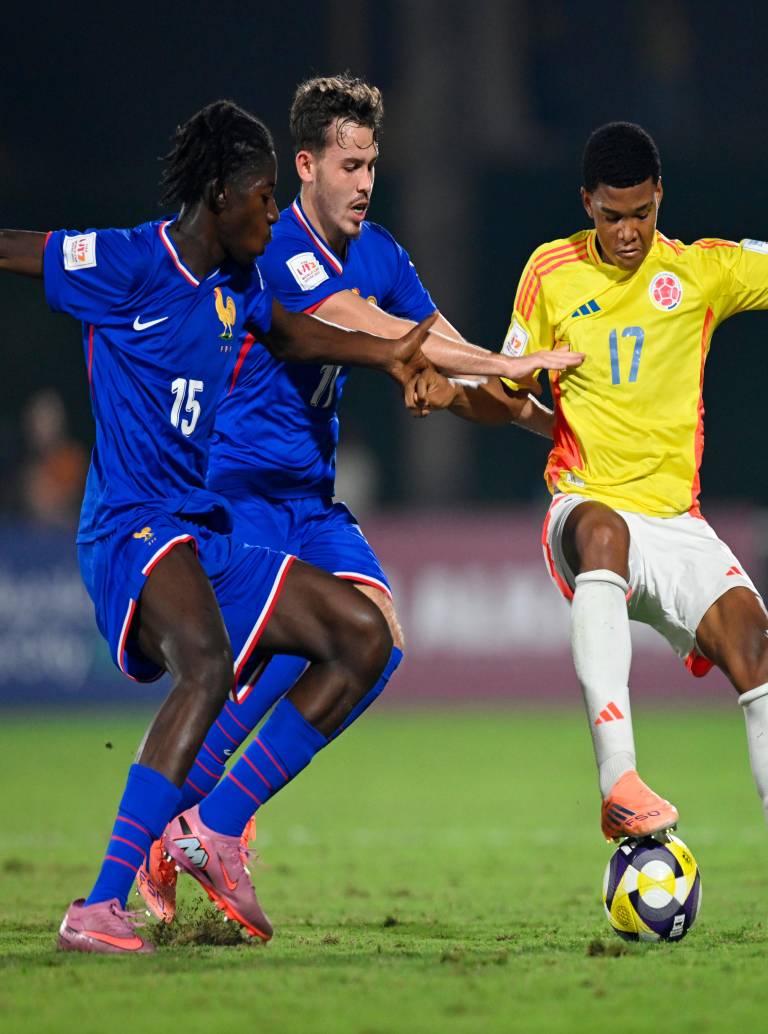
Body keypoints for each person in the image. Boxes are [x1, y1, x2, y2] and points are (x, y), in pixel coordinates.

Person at [447, 88, 768, 940]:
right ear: (586, 206)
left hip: (677, 525)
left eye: (640, 212)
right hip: (586, 505)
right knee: (602, 531)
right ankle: (621, 785)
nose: (628, 231)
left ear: (659, 198)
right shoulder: (549, 272)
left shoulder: (698, 270)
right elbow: (504, 393)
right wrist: (461, 398)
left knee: (760, 650)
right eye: (612, 216)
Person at [0, 99, 462, 955]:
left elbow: (295, 334)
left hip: (198, 534)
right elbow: (13, 248)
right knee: (208, 668)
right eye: (260, 199)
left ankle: (210, 831)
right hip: (131, 528)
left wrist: (397, 354)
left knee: (364, 638)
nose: (271, 216)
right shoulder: (133, 261)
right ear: (218, 195)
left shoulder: (241, 285)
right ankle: (98, 906)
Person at [134, 75, 578, 924]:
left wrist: (544, 421)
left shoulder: (382, 251)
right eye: (349, 164)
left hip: (310, 498)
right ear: (306, 166)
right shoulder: (274, 242)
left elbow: (441, 352)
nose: (366, 182)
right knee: (252, 668)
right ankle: (175, 837)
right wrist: (506, 361)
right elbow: (369, 326)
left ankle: (203, 829)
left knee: (374, 635)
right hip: (240, 496)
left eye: (373, 163)